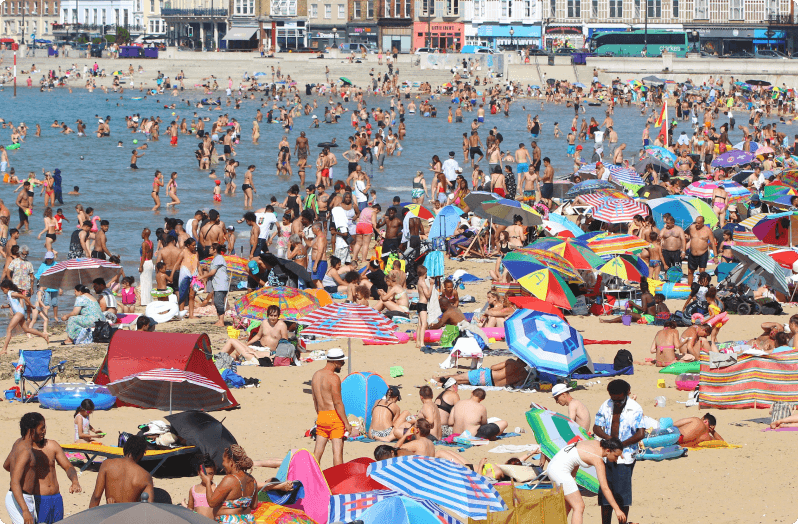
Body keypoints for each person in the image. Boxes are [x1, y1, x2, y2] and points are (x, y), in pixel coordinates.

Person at [592, 380, 644, 524]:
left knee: (621, 494)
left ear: (627, 394)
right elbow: (597, 427)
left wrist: (620, 445)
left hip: (625, 456)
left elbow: (640, 434)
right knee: (605, 492)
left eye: (619, 400)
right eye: (614, 400)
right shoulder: (606, 405)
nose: (617, 403)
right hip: (607, 454)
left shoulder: (635, 409)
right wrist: (609, 440)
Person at [546, 437, 628, 524]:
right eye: (616, 456)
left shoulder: (596, 443)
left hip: (554, 466)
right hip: (559, 471)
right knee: (579, 506)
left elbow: (576, 453)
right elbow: (605, 488)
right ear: (608, 450)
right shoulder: (597, 460)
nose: (616, 460)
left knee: (568, 504)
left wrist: (573, 476)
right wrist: (617, 509)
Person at [311, 348, 358, 466]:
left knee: (317, 453)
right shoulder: (334, 378)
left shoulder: (316, 375)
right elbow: (338, 403)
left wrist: (320, 415)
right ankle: (339, 481)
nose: (342, 365)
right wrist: (347, 424)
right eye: (342, 362)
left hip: (321, 416)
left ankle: (311, 478)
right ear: (335, 362)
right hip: (334, 418)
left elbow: (315, 400)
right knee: (337, 453)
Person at [89, 435, 154, 507]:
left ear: (125, 448)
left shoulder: (107, 464)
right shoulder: (145, 476)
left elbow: (96, 497)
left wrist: (91, 516)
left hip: (111, 514)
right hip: (130, 516)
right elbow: (149, 506)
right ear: (141, 453)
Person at [5, 413, 46, 524]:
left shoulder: (18, 442)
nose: (44, 431)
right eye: (41, 428)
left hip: (21, 497)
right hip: (20, 498)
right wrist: (25, 510)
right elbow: (14, 482)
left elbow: (6, 465)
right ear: (32, 430)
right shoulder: (26, 452)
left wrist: (22, 473)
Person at [201, 445, 257, 523]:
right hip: (248, 520)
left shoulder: (230, 479)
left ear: (231, 461)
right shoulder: (252, 480)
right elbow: (254, 506)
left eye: (224, 460)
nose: (223, 464)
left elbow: (212, 502)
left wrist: (207, 482)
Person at [219, 305, 289, 365]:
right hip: (259, 346)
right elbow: (258, 336)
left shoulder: (282, 325)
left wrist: (276, 355)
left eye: (275, 316)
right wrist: (247, 343)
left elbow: (285, 342)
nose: (273, 318)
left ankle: (219, 357)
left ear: (278, 316)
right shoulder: (264, 323)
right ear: (268, 315)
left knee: (238, 350)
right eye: (271, 315)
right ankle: (221, 357)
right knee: (238, 353)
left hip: (270, 351)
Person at [0, 279, 48, 354]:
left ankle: (4, 349)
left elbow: (24, 297)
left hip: (19, 313)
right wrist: (4, 307)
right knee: (26, 330)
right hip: (19, 312)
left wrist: (31, 305)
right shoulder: (9, 294)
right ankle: (43, 335)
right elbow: (12, 304)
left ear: (8, 287)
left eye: (3, 289)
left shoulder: (12, 293)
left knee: (9, 329)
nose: (3, 291)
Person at [438, 358, 530, 388]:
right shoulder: (525, 375)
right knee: (461, 382)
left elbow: (493, 367)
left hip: (487, 375)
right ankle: (440, 383)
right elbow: (516, 385)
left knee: (458, 377)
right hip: (491, 384)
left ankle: (436, 380)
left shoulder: (511, 362)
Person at [185, 454, 216, 519]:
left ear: (214, 473)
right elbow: (190, 508)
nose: (207, 477)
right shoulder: (193, 489)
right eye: (204, 474)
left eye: (210, 473)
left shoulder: (216, 488)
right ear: (198, 473)